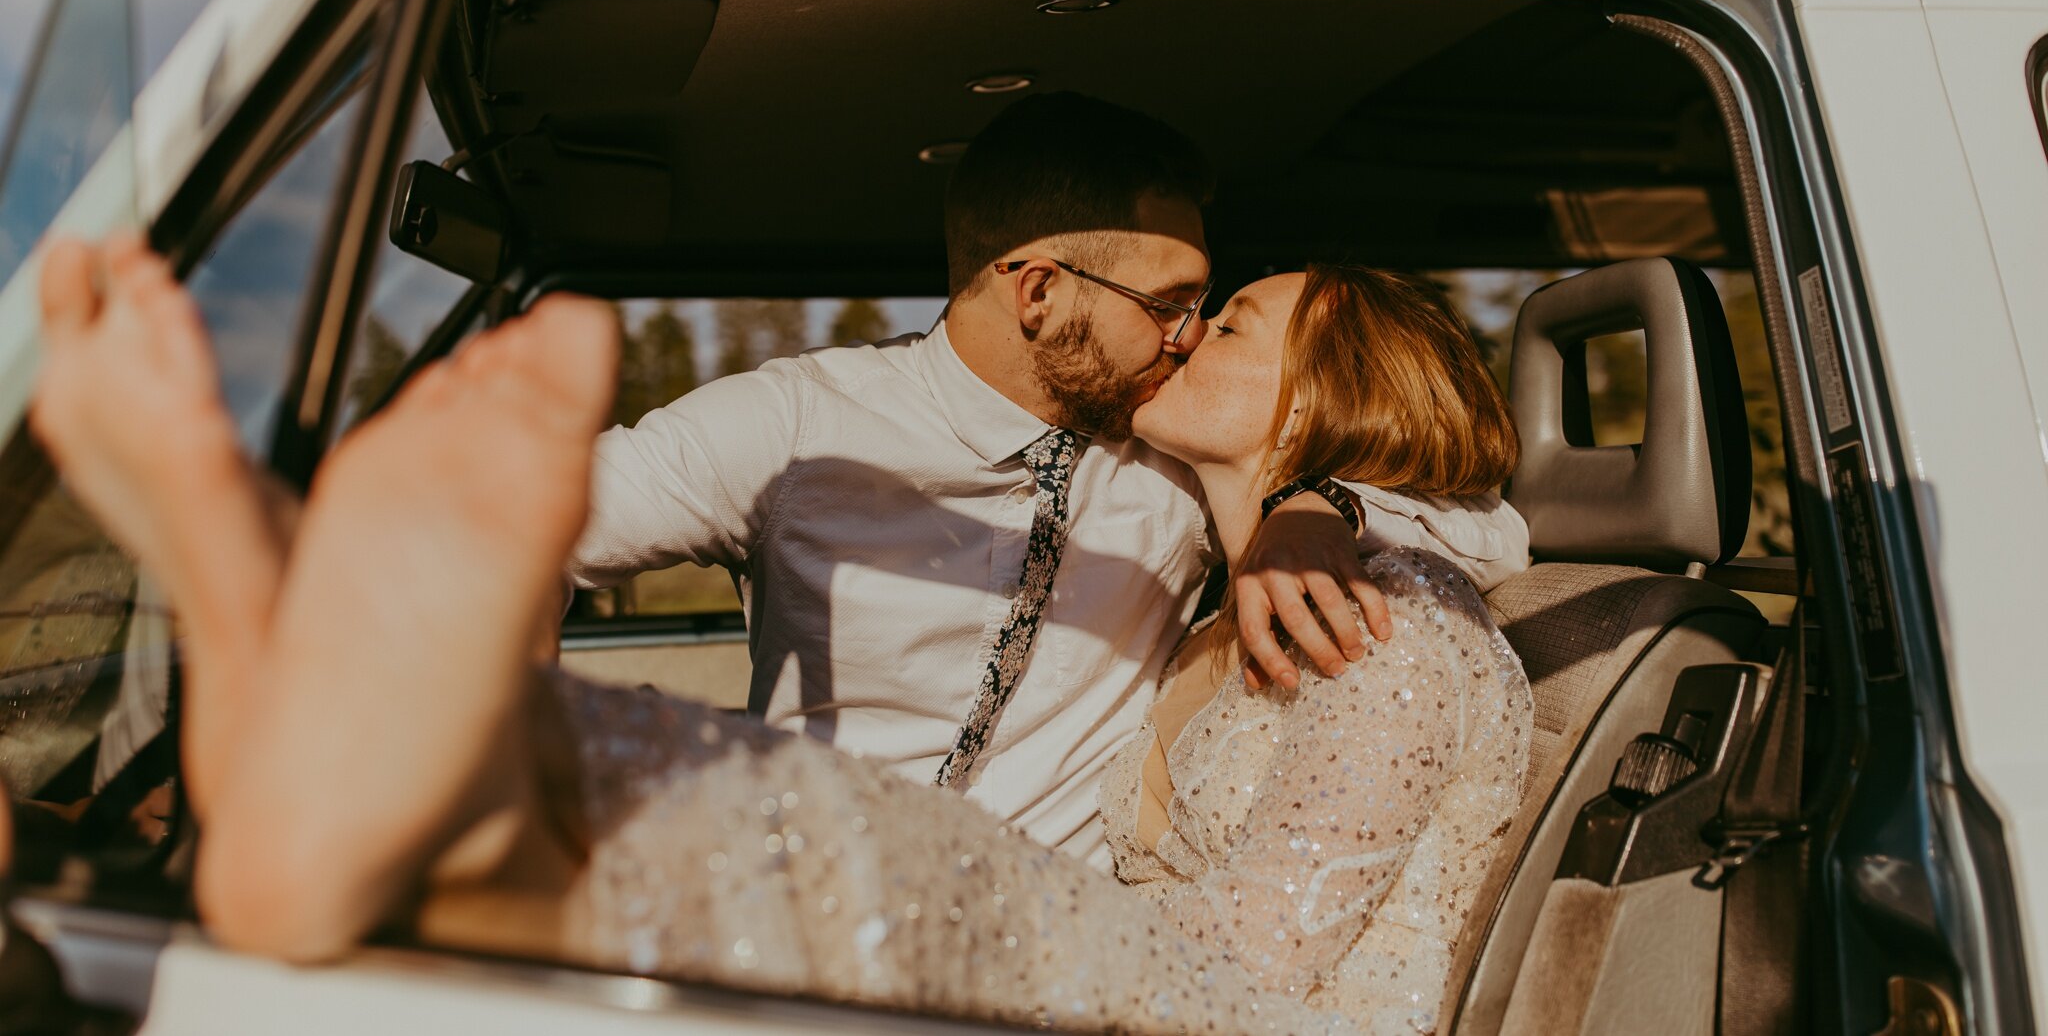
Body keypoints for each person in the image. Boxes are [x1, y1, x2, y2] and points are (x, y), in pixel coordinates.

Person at [28, 233, 1531, 1034]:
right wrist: (1301, 504)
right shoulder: (1234, 555)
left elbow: (1257, 976)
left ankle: (325, 671)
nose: (1192, 332)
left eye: (1235, 318)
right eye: (1188, 303)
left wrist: (1320, 501)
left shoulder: (1369, 616)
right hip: (1115, 966)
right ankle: (350, 698)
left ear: (1329, 397)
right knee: (796, 834)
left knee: (841, 848)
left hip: (1230, 1014)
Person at [566, 92, 1389, 867]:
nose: (1190, 335)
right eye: (1168, 302)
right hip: (806, 926)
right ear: (1039, 292)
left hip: (1058, 960)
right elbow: (513, 524)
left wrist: (1317, 503)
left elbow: (1488, 528)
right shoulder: (796, 427)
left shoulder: (1176, 453)